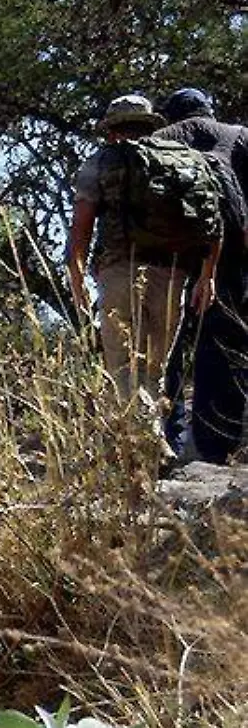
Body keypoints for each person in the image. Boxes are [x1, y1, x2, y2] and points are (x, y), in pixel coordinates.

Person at [67, 94, 224, 450]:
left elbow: (81, 229)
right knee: (154, 368)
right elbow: (212, 222)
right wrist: (207, 276)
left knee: (122, 366)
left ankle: (146, 446)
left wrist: (77, 278)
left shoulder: (101, 161)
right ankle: (148, 447)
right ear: (150, 124)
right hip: (172, 276)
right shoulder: (183, 161)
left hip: (119, 271)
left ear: (111, 131)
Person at [157, 87, 248, 464]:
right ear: (209, 109)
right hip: (229, 257)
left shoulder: (156, 141)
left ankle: (166, 445)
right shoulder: (239, 135)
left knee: (166, 352)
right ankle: (215, 450)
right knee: (223, 349)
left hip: (166, 259)